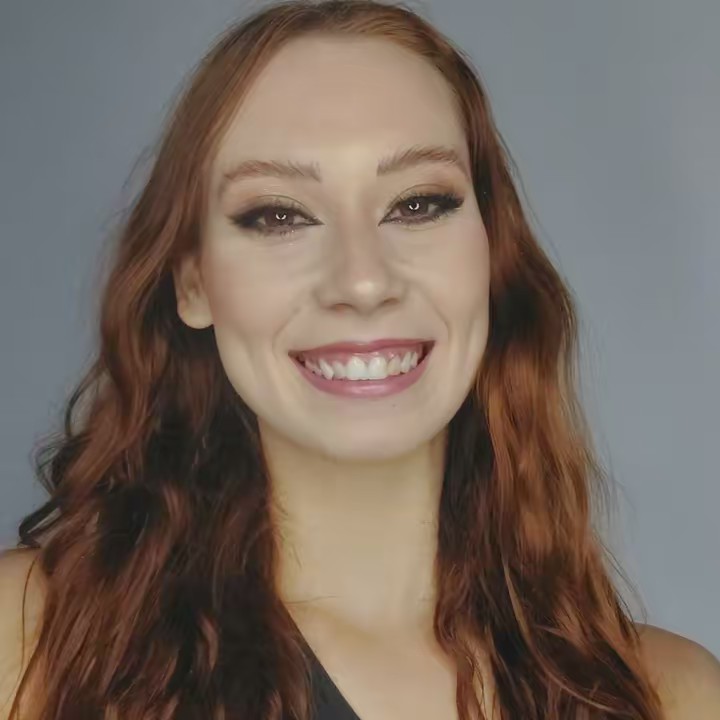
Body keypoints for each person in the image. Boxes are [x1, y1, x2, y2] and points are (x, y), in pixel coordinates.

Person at [1, 1, 719, 718]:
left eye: (418, 204)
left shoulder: (671, 695)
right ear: (193, 281)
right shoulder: (35, 641)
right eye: (278, 215)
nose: (363, 281)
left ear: (491, 252)